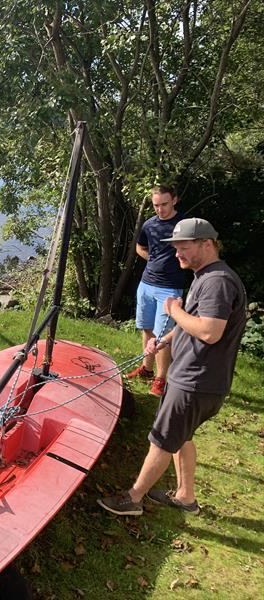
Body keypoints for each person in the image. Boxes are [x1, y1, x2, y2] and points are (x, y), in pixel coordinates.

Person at [98, 218, 247, 516]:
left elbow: (209, 331)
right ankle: (185, 496)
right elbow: (195, 323)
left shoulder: (217, 282)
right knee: (182, 436)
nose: (177, 254)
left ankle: (133, 498)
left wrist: (175, 310)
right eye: (176, 248)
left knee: (163, 439)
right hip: (197, 379)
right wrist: (164, 340)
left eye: (183, 248)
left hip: (195, 382)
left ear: (207, 244)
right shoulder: (205, 275)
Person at [126, 185, 185, 396]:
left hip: (170, 288)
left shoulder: (184, 226)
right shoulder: (149, 224)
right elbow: (140, 247)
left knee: (163, 337)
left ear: (175, 200)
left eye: (164, 204)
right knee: (147, 328)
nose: (160, 209)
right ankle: (146, 369)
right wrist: (153, 260)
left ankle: (161, 380)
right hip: (146, 284)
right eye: (156, 205)